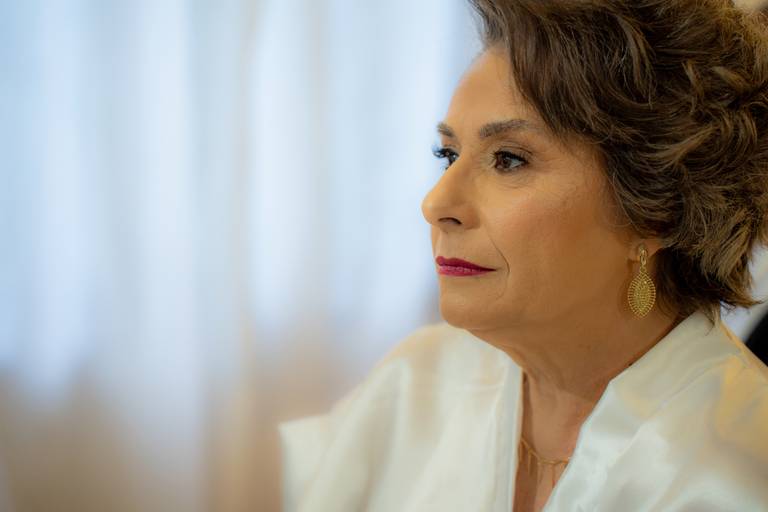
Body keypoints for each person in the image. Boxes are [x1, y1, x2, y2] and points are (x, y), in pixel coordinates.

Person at [278, 1, 768, 510]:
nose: (436, 204)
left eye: (508, 159)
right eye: (448, 154)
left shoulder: (738, 474)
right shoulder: (414, 385)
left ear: (657, 211)